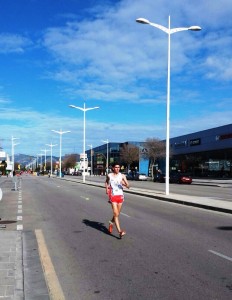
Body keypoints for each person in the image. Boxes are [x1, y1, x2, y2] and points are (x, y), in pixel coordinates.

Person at [105, 162, 130, 238]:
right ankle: (120, 231)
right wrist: (106, 189)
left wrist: (124, 184)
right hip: (113, 196)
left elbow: (128, 186)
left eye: (119, 167)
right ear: (113, 168)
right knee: (116, 214)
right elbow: (106, 182)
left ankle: (111, 222)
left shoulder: (122, 176)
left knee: (117, 214)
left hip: (120, 196)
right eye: (116, 167)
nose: (117, 168)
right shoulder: (109, 175)